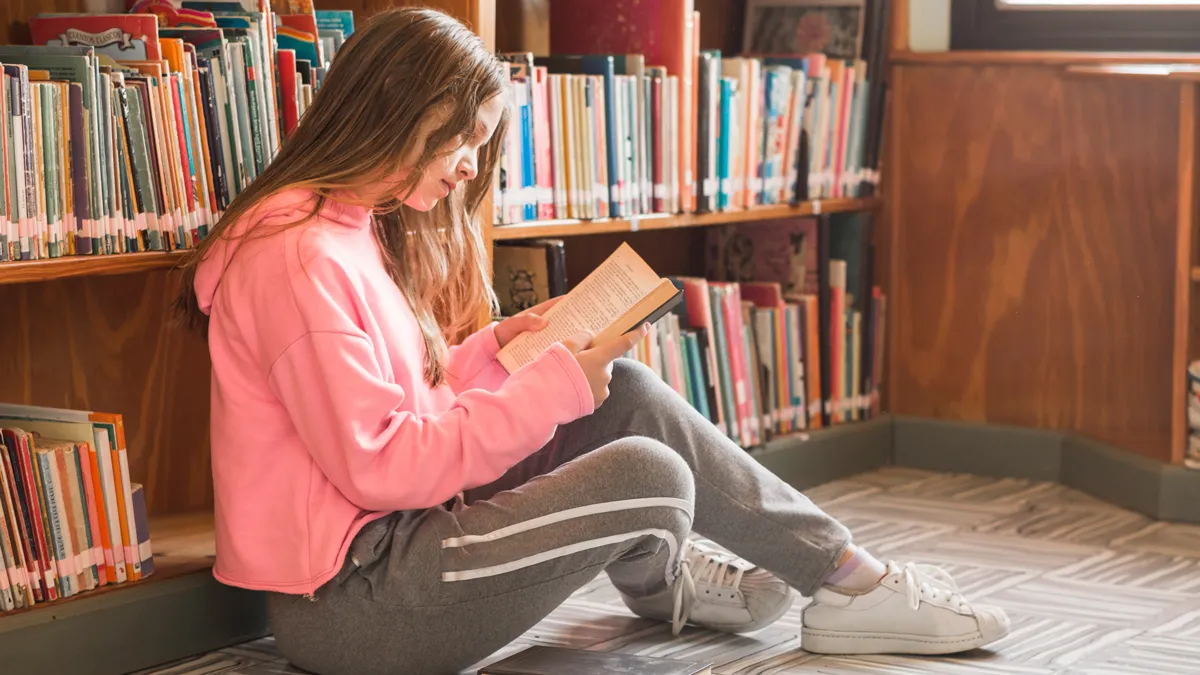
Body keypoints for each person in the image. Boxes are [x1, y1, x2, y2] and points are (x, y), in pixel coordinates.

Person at [173, 7, 1010, 675]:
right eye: (461, 140)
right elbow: (386, 465)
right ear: (400, 114)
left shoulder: (346, 228)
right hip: (359, 604)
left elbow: (398, 405)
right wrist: (550, 384)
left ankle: (845, 578)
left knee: (631, 397)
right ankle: (677, 574)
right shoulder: (297, 259)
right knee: (651, 475)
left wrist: (506, 348)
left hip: (399, 548)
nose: (469, 167)